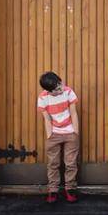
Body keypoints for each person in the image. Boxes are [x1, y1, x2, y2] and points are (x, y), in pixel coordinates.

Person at [37, 71, 80, 204]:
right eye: (57, 89)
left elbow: (73, 112)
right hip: (54, 134)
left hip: (70, 132)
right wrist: (49, 136)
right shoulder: (43, 98)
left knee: (71, 163)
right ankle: (53, 190)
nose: (61, 88)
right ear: (48, 91)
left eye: (60, 84)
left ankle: (70, 189)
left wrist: (75, 132)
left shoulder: (68, 92)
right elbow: (47, 119)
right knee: (53, 164)